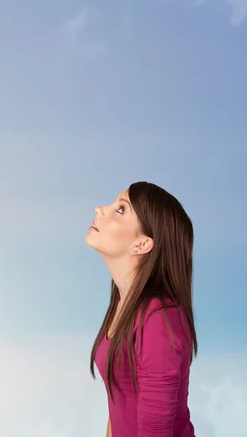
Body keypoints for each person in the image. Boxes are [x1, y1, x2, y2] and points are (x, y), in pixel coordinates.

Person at [85, 181, 198, 437]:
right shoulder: (124, 305)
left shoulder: (160, 317)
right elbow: (118, 410)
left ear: (142, 244)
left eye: (121, 210)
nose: (100, 209)